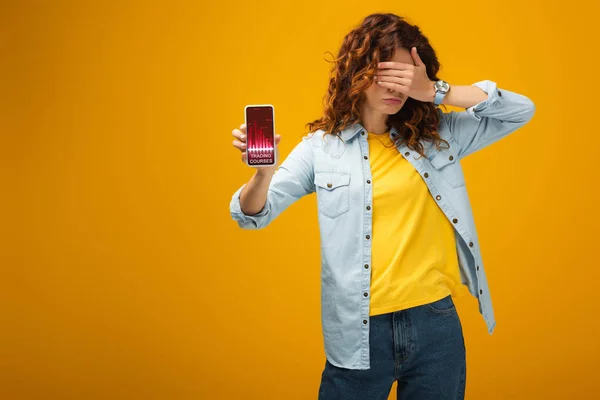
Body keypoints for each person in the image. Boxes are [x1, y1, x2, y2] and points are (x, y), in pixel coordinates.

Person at [229, 13, 535, 400]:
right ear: (358, 71)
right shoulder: (321, 149)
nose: (398, 86)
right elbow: (251, 215)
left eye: (408, 76)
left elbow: (521, 110)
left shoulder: (439, 135)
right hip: (358, 332)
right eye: (388, 72)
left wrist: (436, 91)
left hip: (435, 323)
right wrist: (263, 175)